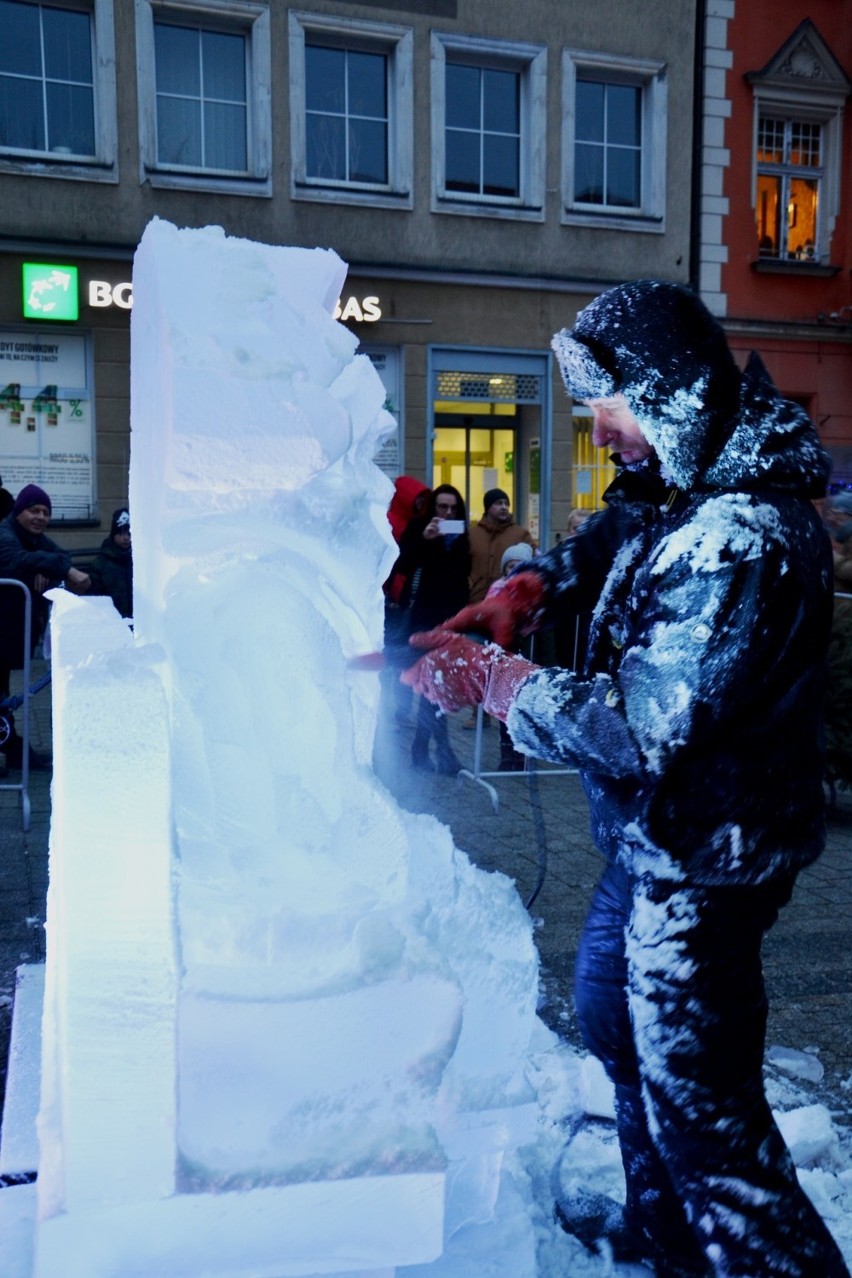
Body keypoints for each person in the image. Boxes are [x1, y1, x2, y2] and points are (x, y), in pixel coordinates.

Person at [403, 280, 849, 1278]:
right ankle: (670, 1241)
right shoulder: (688, 496)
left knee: (710, 1125)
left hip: (706, 864)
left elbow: (642, 735)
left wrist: (501, 681)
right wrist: (534, 584)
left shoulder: (737, 539)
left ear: (671, 397)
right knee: (615, 1019)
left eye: (610, 415)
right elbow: (621, 534)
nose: (602, 439)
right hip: (657, 844)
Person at [0, 484, 91, 768]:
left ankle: (12, 749)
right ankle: (13, 750)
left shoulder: (34, 539)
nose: (40, 517)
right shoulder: (5, 533)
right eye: (33, 510)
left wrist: (45, 567)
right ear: (18, 512)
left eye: (45, 512)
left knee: (1, 692)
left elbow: (62, 555)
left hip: (9, 630)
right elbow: (13, 560)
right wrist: (59, 570)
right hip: (3, 628)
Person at [394, 484, 469, 774]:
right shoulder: (419, 529)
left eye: (453, 509)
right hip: (422, 623)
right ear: (433, 509)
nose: (447, 513)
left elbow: (461, 577)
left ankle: (422, 750)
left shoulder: (460, 536)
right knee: (433, 686)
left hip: (450, 623)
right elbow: (402, 565)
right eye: (442, 507)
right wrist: (426, 540)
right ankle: (443, 754)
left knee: (435, 687)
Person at [468, 487, 535, 605]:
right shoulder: (472, 534)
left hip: (508, 601)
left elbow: (532, 565)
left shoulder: (520, 534)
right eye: (498, 503)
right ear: (488, 508)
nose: (504, 507)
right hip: (474, 600)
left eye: (506, 504)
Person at [88, 507, 133, 619]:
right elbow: (96, 601)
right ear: (113, 534)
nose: (126, 538)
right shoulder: (99, 565)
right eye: (121, 533)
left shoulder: (140, 561)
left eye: (129, 533)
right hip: (113, 624)